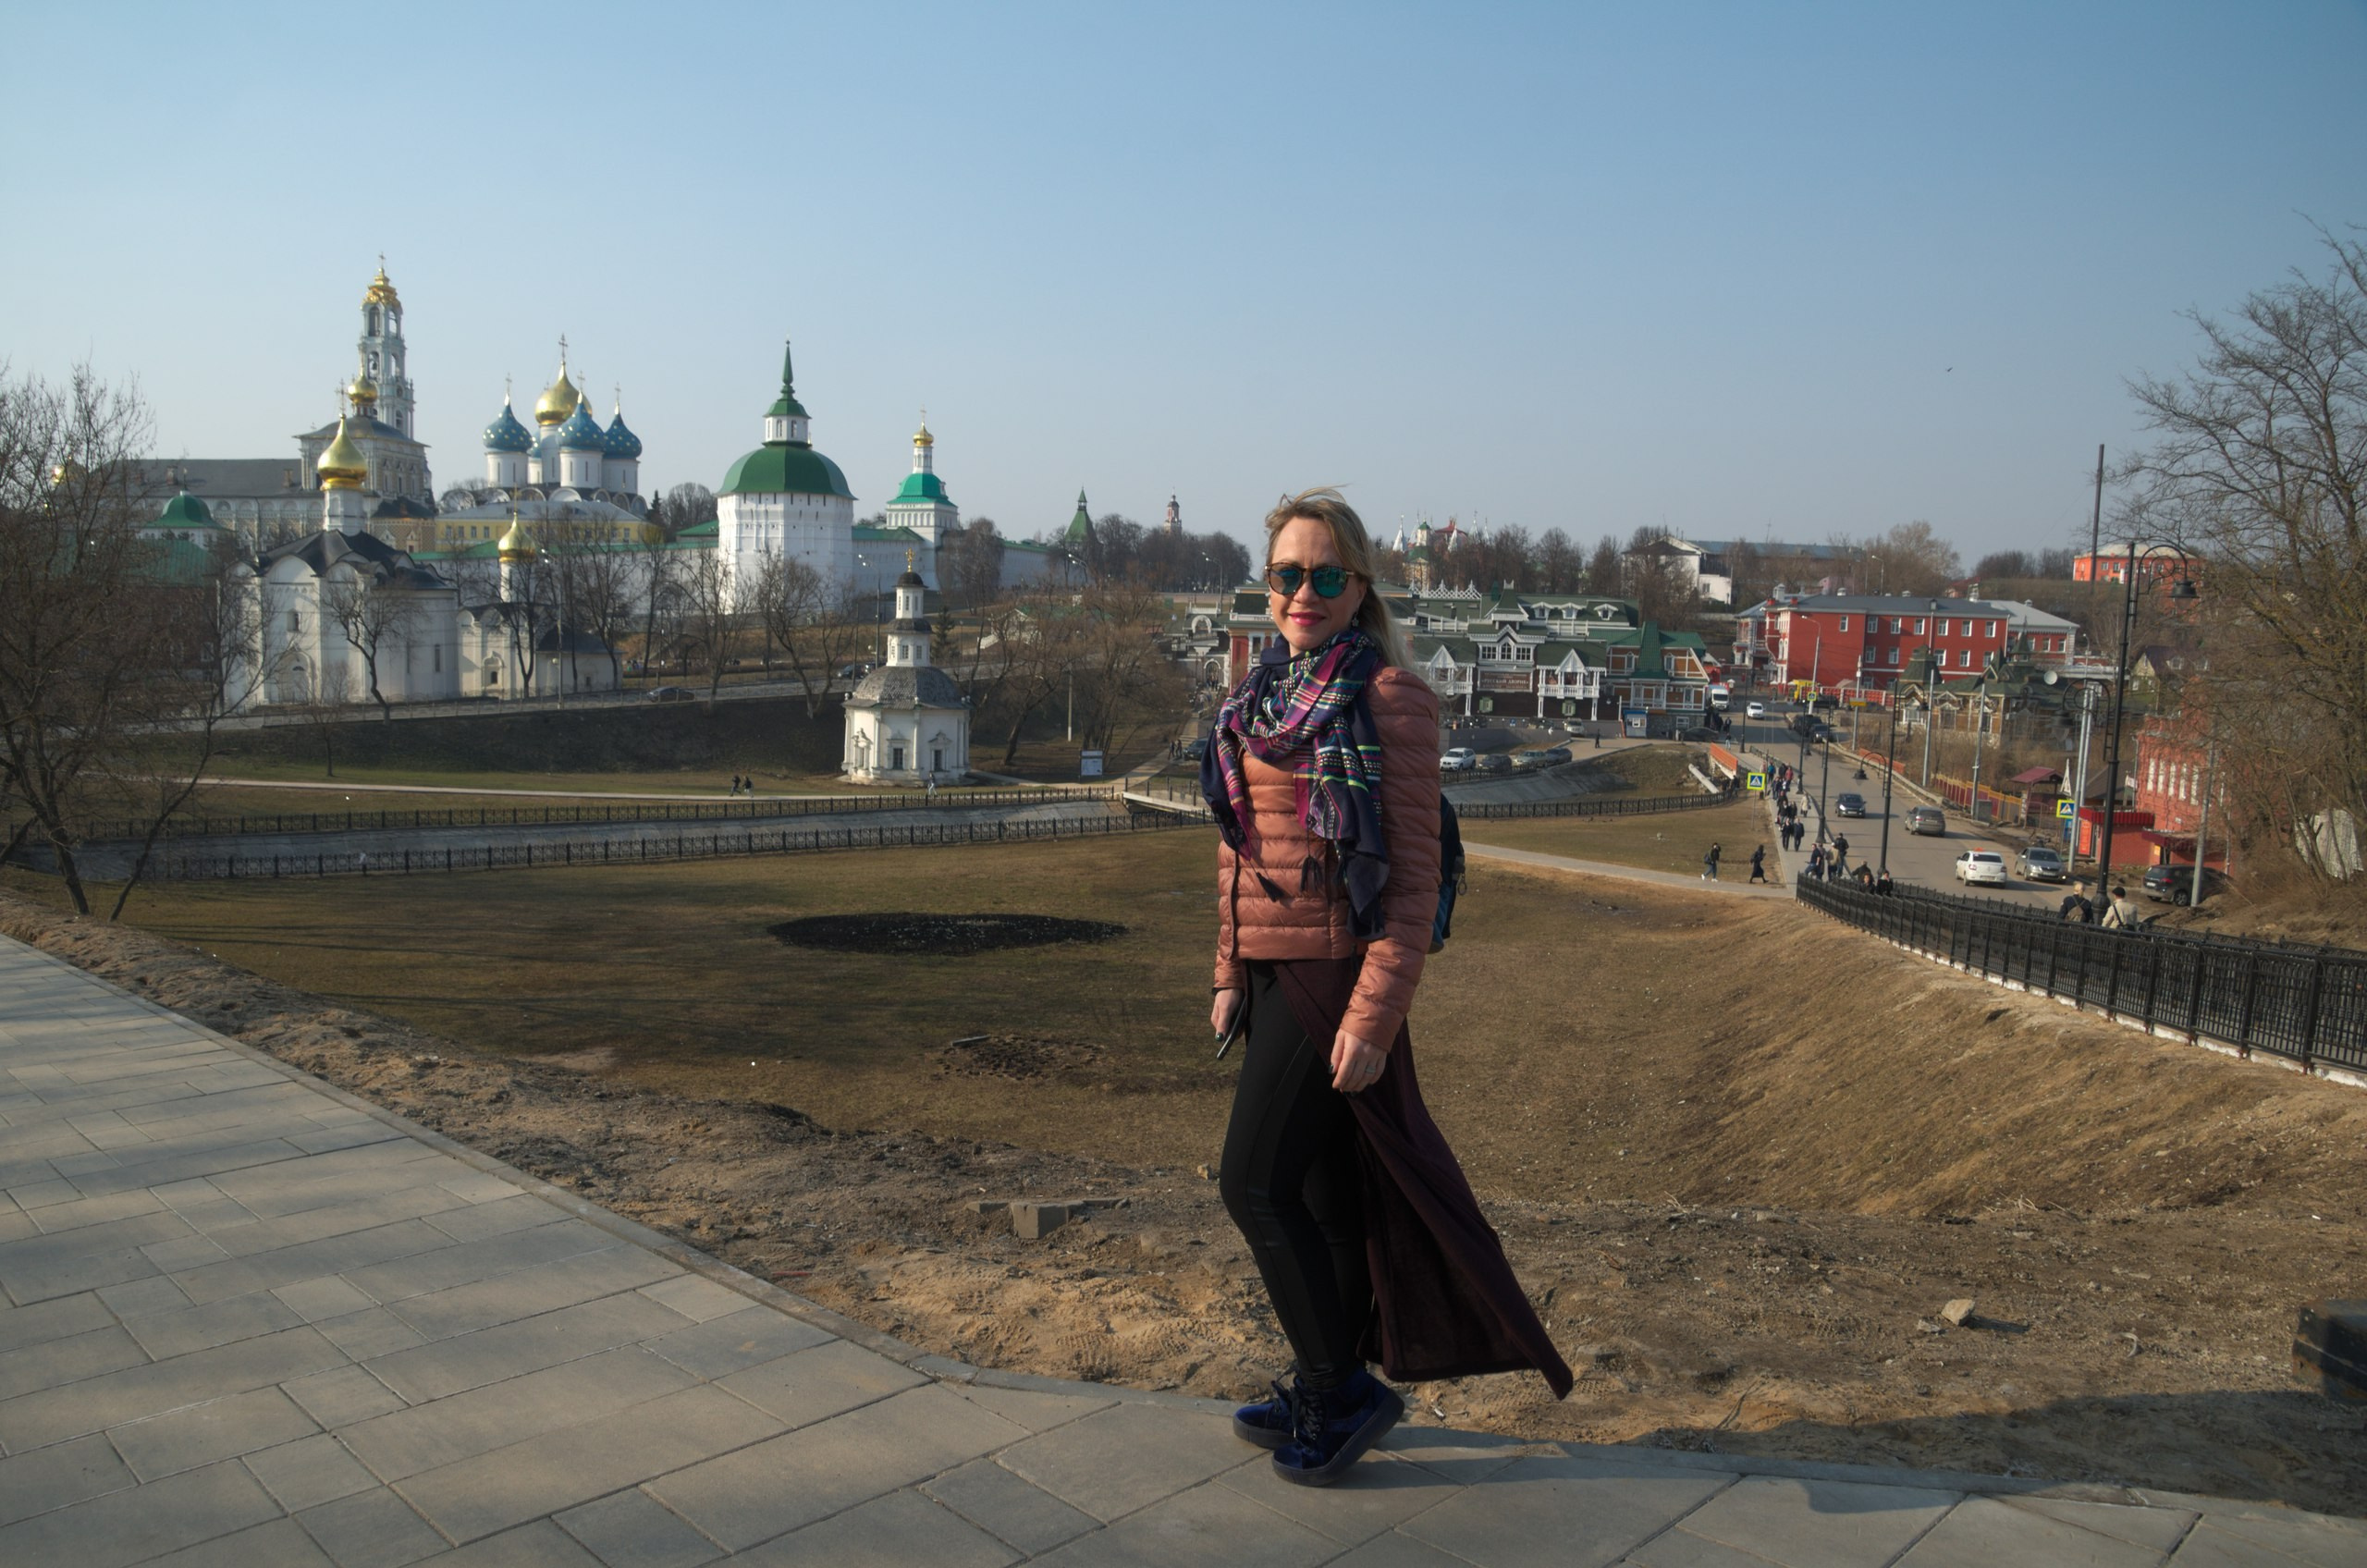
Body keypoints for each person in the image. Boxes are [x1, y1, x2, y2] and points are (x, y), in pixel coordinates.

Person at [1202, 489, 1569, 1488]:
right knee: (1321, 1198)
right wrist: (1230, 969)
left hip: (1334, 971)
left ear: (1359, 586)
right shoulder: (1258, 695)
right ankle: (1324, 1375)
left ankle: (1341, 1387)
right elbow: (1239, 847)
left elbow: (1407, 886)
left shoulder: (1389, 699)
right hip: (1276, 966)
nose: (1304, 592)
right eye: (1288, 574)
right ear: (1267, 584)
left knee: (1251, 1183)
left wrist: (1374, 1016)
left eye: (1326, 575)